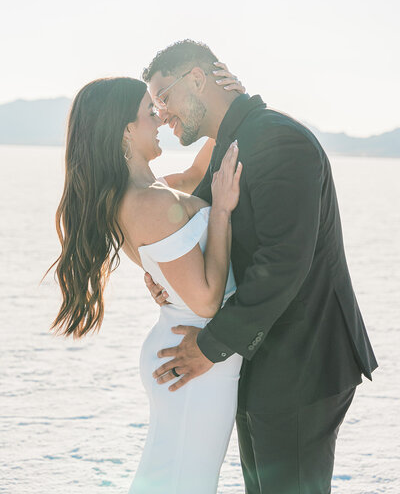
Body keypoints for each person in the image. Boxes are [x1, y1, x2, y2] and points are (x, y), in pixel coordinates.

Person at [143, 39, 378, 494]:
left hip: (303, 362)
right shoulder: (233, 142)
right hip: (266, 360)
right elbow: (203, 226)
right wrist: (165, 276)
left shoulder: (276, 139)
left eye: (164, 98)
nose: (163, 115)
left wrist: (210, 346)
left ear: (197, 78)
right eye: (153, 107)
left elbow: (284, 261)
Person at [44, 69, 248, 494]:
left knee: (171, 479)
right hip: (194, 358)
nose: (160, 120)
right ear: (124, 131)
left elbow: (197, 171)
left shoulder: (147, 192)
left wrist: (230, 102)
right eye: (149, 113)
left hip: (184, 347)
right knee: (184, 484)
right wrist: (223, 212)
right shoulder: (152, 203)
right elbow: (209, 301)